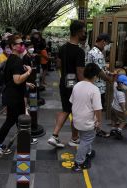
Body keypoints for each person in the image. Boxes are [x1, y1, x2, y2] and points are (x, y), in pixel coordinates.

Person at [0, 37, 37, 155]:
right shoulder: (16, 60)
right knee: (10, 121)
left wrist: (26, 82)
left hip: (14, 94)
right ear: (13, 46)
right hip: (13, 97)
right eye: (20, 44)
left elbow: (11, 78)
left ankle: (26, 139)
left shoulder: (12, 58)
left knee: (20, 118)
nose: (22, 46)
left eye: (23, 43)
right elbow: (17, 80)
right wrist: (28, 72)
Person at [47, 20, 86, 148]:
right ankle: (73, 138)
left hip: (63, 82)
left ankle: (55, 136)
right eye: (84, 32)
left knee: (66, 110)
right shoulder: (79, 51)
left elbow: (58, 64)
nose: (84, 34)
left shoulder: (62, 48)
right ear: (78, 32)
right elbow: (80, 72)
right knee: (75, 112)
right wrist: (86, 87)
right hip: (75, 85)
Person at [70, 63, 102, 172]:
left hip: (76, 120)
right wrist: (98, 121)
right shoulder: (94, 90)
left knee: (85, 138)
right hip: (87, 122)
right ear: (95, 76)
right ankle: (78, 163)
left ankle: (88, 152)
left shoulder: (76, 85)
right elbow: (98, 109)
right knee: (86, 140)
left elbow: (72, 101)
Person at [87, 33, 114, 137]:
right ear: (103, 42)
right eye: (108, 44)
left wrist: (108, 73)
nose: (108, 46)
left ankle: (95, 128)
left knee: (95, 109)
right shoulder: (97, 53)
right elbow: (99, 72)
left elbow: (101, 68)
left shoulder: (93, 51)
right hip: (98, 87)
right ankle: (96, 130)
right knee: (97, 109)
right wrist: (109, 79)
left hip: (95, 85)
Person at [110, 75, 127, 140]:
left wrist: (114, 75)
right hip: (119, 110)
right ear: (120, 83)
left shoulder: (115, 86)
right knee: (123, 121)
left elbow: (114, 81)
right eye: (125, 84)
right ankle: (118, 132)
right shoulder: (121, 94)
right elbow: (121, 103)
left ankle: (113, 130)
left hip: (113, 107)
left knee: (114, 119)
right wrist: (124, 110)